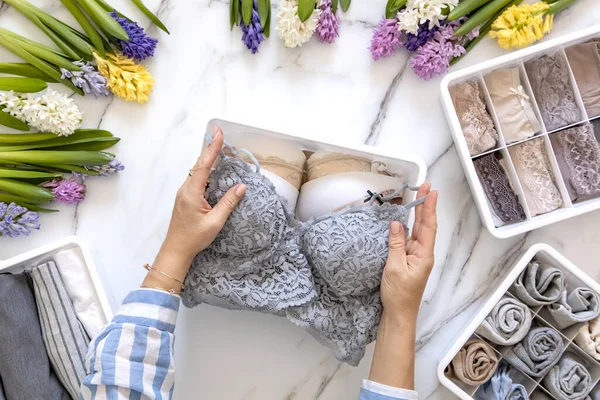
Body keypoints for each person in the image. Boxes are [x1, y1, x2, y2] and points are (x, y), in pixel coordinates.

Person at [79, 128, 439, 400]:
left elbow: (121, 385)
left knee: (253, 190)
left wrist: (176, 248)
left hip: (261, 173)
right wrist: (400, 313)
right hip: (357, 189)